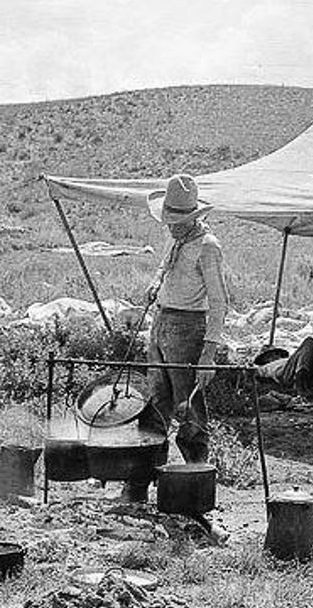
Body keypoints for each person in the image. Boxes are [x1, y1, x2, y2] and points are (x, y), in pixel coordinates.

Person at [122, 174, 230, 503]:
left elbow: (219, 302)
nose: (171, 227)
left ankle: (196, 487)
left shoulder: (207, 247)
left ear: (192, 218)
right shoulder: (176, 239)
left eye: (177, 222)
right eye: (169, 220)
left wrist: (208, 355)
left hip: (188, 327)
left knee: (190, 411)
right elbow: (163, 267)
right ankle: (141, 483)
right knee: (154, 406)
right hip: (161, 322)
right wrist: (155, 284)